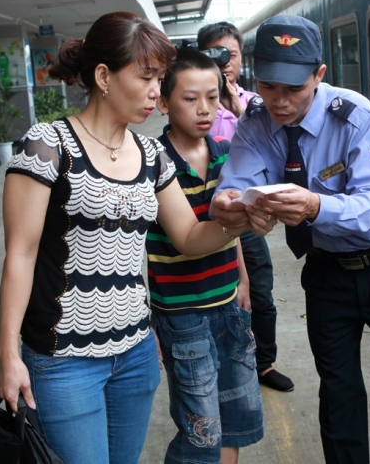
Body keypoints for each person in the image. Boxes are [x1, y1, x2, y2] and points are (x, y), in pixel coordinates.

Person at [0, 12, 262, 464]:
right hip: (64, 359)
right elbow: (21, 253)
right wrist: (7, 354)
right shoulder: (47, 146)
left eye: (159, 78)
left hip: (136, 353)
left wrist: (242, 221)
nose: (156, 90)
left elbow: (189, 236)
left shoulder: (152, 155)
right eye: (146, 77)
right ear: (104, 77)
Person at [212, 15, 370, 464]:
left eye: (294, 88)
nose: (279, 100)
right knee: (339, 395)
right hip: (327, 274)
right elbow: (235, 183)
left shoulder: (353, 116)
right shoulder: (254, 123)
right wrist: (230, 204)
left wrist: (316, 207)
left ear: (319, 75)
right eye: (268, 86)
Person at [147, 47, 263, 464]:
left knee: (234, 419)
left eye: (213, 97)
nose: (204, 109)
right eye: (190, 98)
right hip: (183, 316)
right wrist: (148, 321)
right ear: (163, 102)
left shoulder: (225, 153)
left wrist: (243, 280)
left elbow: (229, 234)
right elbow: (152, 246)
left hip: (229, 305)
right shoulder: (153, 162)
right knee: (201, 432)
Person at [198, 21, 293, 392]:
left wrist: (236, 108)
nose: (225, 62)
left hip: (247, 216)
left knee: (260, 288)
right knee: (218, 295)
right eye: (216, 54)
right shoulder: (196, 102)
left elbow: (272, 148)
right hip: (206, 215)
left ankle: (264, 363)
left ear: (241, 59)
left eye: (231, 54)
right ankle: (227, 365)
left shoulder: (256, 103)